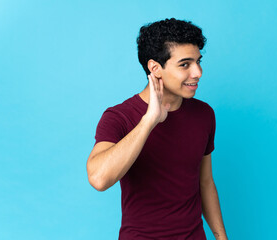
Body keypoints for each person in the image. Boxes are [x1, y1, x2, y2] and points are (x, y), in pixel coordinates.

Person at [87, 18, 228, 240]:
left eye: (198, 62)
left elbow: (205, 182)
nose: (198, 72)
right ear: (155, 68)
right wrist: (149, 120)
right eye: (185, 64)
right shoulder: (119, 117)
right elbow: (99, 179)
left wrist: (221, 237)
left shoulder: (204, 114)